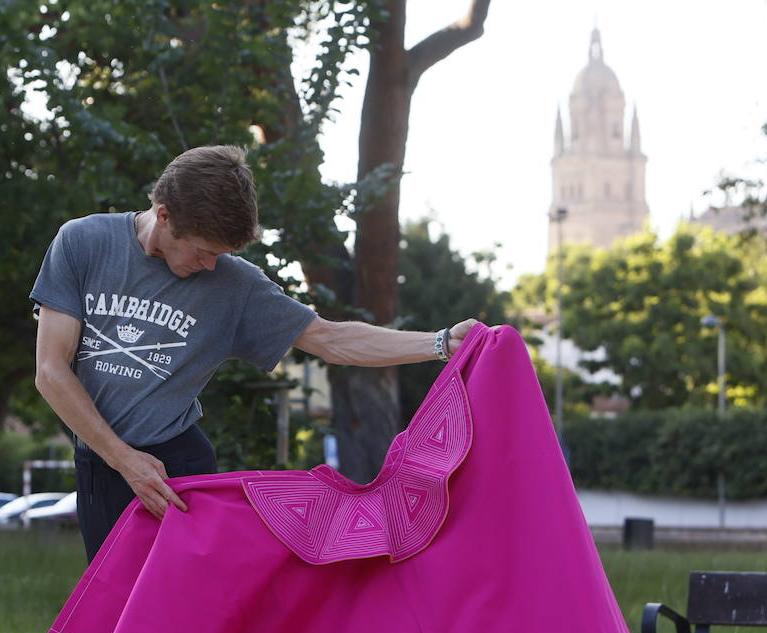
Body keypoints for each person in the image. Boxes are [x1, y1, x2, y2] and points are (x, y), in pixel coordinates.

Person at [32, 145, 477, 560]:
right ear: (164, 215)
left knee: (180, 620)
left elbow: (330, 338)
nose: (210, 266)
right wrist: (122, 460)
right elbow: (51, 371)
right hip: (103, 461)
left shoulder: (234, 284)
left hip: (176, 468)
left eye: (220, 255)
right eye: (204, 251)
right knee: (110, 615)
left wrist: (439, 344)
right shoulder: (83, 243)